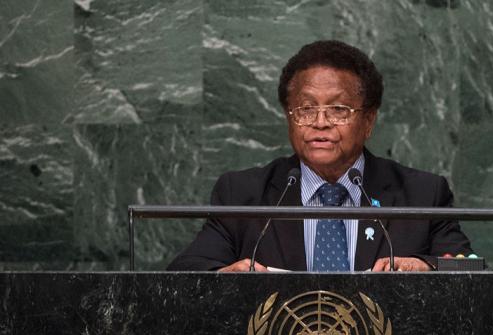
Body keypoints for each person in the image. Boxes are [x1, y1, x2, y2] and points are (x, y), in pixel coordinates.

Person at [168, 40, 472, 272]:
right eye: (305, 109)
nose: (320, 122)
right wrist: (224, 277)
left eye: (338, 109)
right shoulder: (242, 195)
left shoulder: (422, 195)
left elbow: (470, 267)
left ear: (368, 121)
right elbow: (184, 273)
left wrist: (428, 267)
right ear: (288, 117)